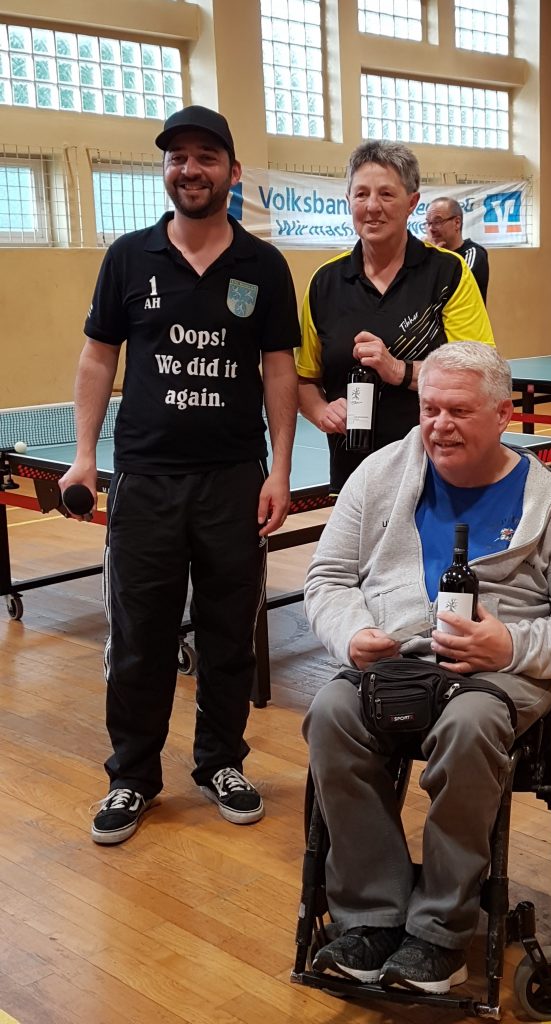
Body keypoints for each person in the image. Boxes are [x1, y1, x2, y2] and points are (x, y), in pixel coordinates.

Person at [302, 342, 551, 992]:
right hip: (393, 664)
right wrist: (351, 632)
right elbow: (328, 578)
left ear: (503, 415)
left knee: (470, 726)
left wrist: (511, 647)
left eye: (459, 411)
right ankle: (372, 917)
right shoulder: (379, 476)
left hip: (497, 675)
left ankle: (440, 932)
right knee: (330, 712)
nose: (440, 425)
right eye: (430, 409)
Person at [59, 105, 301, 845]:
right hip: (146, 481)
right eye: (177, 157)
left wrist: (280, 469)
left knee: (230, 634)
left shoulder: (263, 266)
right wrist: (85, 454)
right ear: (166, 169)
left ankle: (221, 762)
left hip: (233, 480)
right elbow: (99, 355)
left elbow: (279, 368)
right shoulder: (128, 258)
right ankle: (132, 776)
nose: (190, 169)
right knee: (140, 637)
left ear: (232, 171)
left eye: (205, 156)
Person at [296, 141, 494, 493]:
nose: (372, 206)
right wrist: (321, 411)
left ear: (412, 202)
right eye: (361, 194)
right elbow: (304, 380)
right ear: (348, 199)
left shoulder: (448, 273)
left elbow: (477, 374)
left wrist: (397, 370)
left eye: (386, 194)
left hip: (437, 474)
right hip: (353, 477)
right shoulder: (324, 283)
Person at [425, 196, 490, 303]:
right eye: (428, 223)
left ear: (457, 223)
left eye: (437, 221)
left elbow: (453, 289)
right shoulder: (429, 254)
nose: (431, 229)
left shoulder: (473, 253)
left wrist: (434, 258)